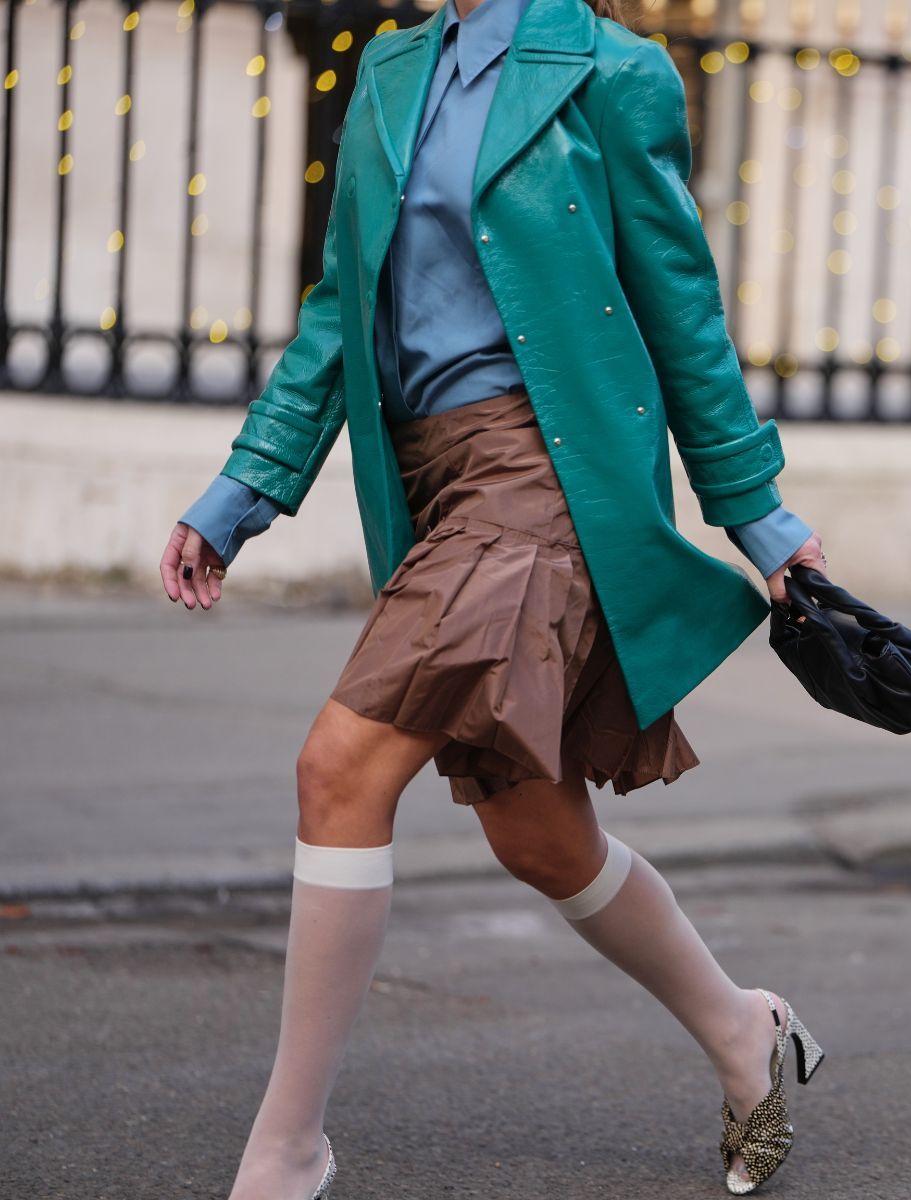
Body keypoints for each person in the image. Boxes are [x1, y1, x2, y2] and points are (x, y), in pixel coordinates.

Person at [160, 0, 827, 1195]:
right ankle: (747, 1034)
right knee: (536, 833)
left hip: (546, 473)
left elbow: (683, 312)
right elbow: (338, 309)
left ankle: (287, 1152)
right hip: (429, 482)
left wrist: (759, 517)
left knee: (338, 767)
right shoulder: (391, 70)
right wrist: (240, 491)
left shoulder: (615, 74)